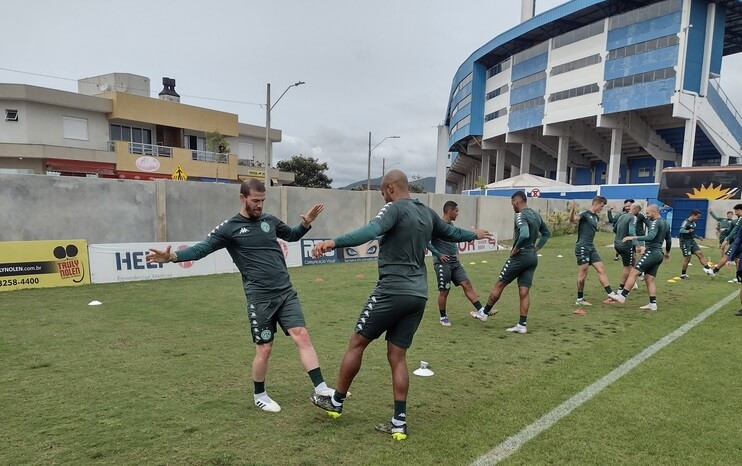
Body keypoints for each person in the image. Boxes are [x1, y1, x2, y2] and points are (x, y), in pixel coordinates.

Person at [308, 170, 490, 440]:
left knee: (357, 343)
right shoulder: (427, 213)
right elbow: (453, 233)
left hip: (392, 290)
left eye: (383, 192)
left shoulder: (393, 209)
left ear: (391, 188)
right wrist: (475, 234)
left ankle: (336, 402)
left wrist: (333, 242)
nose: (383, 197)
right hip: (418, 295)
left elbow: (371, 230)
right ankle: (398, 422)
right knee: (397, 357)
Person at [145, 179, 333, 413]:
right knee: (265, 348)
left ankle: (322, 388)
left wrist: (306, 224)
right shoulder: (229, 228)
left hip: (285, 292)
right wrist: (173, 257)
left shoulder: (270, 221)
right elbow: (202, 249)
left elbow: (292, 236)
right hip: (260, 298)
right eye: (255, 201)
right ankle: (260, 394)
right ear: (242, 198)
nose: (259, 206)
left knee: (302, 336)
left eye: (262, 201)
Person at [470, 191, 551, 334]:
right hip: (532, 257)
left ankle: (484, 313)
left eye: (512, 203)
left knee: (500, 283)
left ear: (516, 202)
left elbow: (524, 233)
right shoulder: (536, 215)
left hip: (520, 256)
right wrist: (536, 247)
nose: (512, 205)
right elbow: (546, 233)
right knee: (524, 291)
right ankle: (522, 325)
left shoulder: (520, 215)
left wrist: (516, 248)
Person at [427, 200, 484, 326]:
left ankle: (481, 311)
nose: (458, 214)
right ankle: (443, 317)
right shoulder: (437, 226)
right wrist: (438, 254)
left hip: (455, 262)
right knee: (445, 291)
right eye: (456, 211)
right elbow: (426, 241)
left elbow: (454, 241)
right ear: (449, 211)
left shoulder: (451, 226)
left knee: (466, 283)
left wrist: (457, 254)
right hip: (443, 263)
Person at [612, 204, 672, 310]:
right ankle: (653, 304)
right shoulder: (665, 223)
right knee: (649, 279)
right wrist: (667, 252)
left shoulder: (655, 223)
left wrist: (633, 237)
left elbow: (650, 237)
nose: (647, 216)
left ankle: (622, 296)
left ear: (654, 212)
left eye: (648, 213)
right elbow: (669, 240)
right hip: (659, 254)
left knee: (633, 273)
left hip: (652, 252)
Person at [569, 197, 621, 306]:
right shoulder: (585, 214)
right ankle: (580, 299)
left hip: (591, 247)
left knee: (601, 267)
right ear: (596, 204)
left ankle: (610, 293)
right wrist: (573, 210)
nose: (602, 208)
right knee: (583, 272)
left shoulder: (596, 217)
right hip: (582, 246)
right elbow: (573, 220)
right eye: (602, 206)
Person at [708, 204, 742, 279]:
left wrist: (726, 239)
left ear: (739, 210)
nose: (735, 213)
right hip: (735, 241)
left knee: (727, 256)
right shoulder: (726, 220)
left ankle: (714, 271)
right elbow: (732, 230)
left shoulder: (738, 220)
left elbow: (734, 231)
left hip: (737, 243)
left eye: (735, 211)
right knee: (737, 259)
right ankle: (738, 277)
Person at [677, 209, 714, 279]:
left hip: (692, 241)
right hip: (684, 242)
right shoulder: (686, 222)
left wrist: (698, 237)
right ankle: (683, 274)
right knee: (687, 258)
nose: (698, 219)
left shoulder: (694, 223)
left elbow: (693, 233)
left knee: (700, 254)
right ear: (693, 215)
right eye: (697, 217)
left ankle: (707, 269)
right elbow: (681, 230)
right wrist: (688, 231)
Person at [614, 203, 641, 293]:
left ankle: (634, 281)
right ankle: (621, 289)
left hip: (617, 244)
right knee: (627, 267)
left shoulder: (622, 216)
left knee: (632, 260)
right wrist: (637, 244)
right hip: (625, 245)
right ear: (636, 210)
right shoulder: (633, 217)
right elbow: (632, 231)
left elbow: (615, 229)